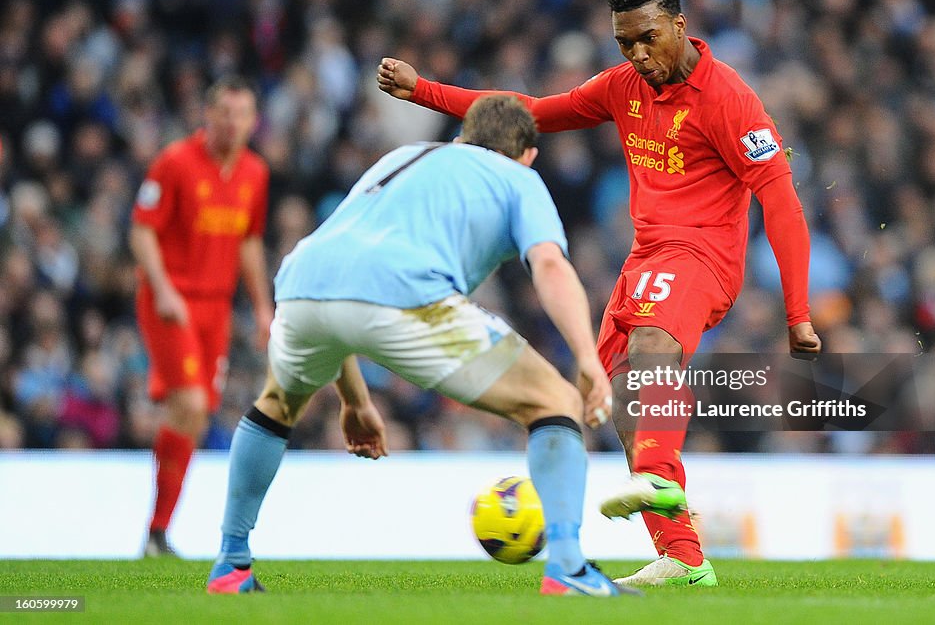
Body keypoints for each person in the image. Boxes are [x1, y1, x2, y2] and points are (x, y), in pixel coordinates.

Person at [377, 0, 822, 587]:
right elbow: (529, 112)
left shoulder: (729, 99)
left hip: (702, 257)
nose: (638, 55)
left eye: (648, 38)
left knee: (650, 352)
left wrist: (797, 311)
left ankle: (658, 476)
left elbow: (779, 198)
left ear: (679, 25)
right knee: (617, 400)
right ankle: (684, 559)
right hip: (645, 258)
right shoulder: (622, 87)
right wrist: (423, 91)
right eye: (625, 44)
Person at [205, 95, 634, 597]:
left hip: (301, 282)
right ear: (528, 155)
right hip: (406, 294)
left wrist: (355, 401)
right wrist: (586, 357)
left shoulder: (403, 157)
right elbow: (550, 265)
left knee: (276, 404)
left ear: (461, 138)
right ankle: (567, 568)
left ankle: (231, 564)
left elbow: (346, 275)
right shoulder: (519, 178)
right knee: (557, 402)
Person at [130, 76, 273, 557]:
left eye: (242, 114)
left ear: (254, 122)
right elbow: (142, 230)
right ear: (207, 115)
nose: (233, 123)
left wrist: (260, 306)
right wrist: (163, 287)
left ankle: (157, 533)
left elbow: (249, 241)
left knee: (192, 415)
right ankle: (156, 530)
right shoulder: (175, 162)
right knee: (189, 404)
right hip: (171, 301)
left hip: (216, 307)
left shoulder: (255, 173)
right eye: (225, 112)